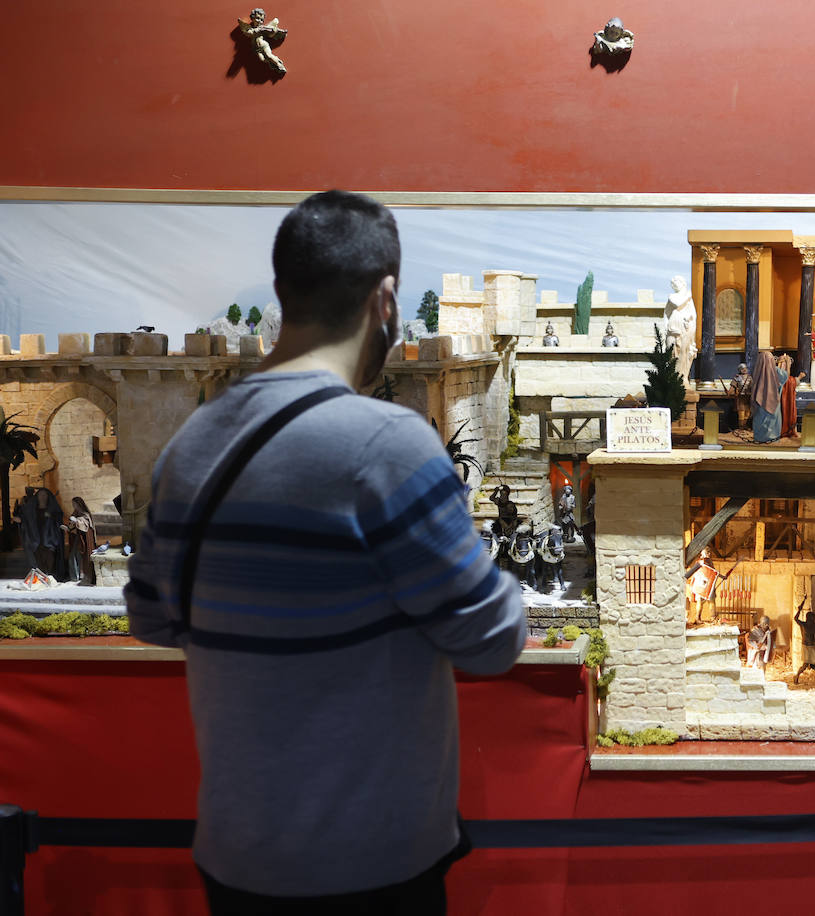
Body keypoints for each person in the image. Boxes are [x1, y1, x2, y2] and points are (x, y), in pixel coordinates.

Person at [125, 190, 527, 912]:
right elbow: (494, 639)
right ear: (387, 300)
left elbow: (153, 620)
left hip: (235, 855)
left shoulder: (190, 448)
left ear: (283, 291)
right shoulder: (388, 446)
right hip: (372, 863)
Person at [664, 275, 697, 384]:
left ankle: (683, 378)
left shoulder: (689, 298)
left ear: (683, 283)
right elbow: (672, 308)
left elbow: (693, 315)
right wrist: (688, 296)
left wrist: (690, 326)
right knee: (672, 353)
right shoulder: (673, 296)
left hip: (685, 329)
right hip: (673, 330)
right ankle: (673, 378)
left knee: (685, 352)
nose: (674, 285)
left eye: (676, 282)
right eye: (673, 283)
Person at [751, 349, 783, 443]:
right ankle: (772, 437)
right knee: (771, 418)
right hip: (774, 402)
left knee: (760, 417)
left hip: (759, 401)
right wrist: (786, 364)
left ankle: (760, 437)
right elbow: (785, 378)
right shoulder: (777, 371)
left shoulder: (758, 369)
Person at [63, 496, 97, 586]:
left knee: (81, 557)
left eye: (75, 504)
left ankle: (83, 575)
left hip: (84, 539)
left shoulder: (85, 514)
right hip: (77, 538)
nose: (74, 506)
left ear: (79, 504)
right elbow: (72, 526)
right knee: (73, 556)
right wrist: (69, 527)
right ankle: (74, 576)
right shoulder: (75, 513)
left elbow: (86, 525)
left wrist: (77, 521)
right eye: (73, 504)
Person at [793, 604, 815, 685]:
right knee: (805, 665)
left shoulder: (814, 626)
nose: (814, 619)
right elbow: (795, 618)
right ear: (809, 618)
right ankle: (796, 676)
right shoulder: (803, 625)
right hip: (806, 647)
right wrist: (799, 610)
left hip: (812, 647)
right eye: (813, 618)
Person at [777, 353, 799, 437]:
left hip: (788, 399)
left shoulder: (789, 378)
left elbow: (790, 381)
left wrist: (798, 378)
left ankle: (789, 429)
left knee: (789, 411)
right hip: (778, 399)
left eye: (785, 364)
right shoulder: (775, 375)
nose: (783, 366)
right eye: (782, 363)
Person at [729, 363, 753, 428]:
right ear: (740, 370)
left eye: (745, 368)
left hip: (748, 397)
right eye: (743, 369)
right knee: (741, 412)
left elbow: (752, 386)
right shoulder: (737, 378)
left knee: (747, 413)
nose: (744, 370)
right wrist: (730, 391)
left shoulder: (750, 378)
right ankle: (741, 427)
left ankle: (744, 426)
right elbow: (733, 386)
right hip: (741, 397)